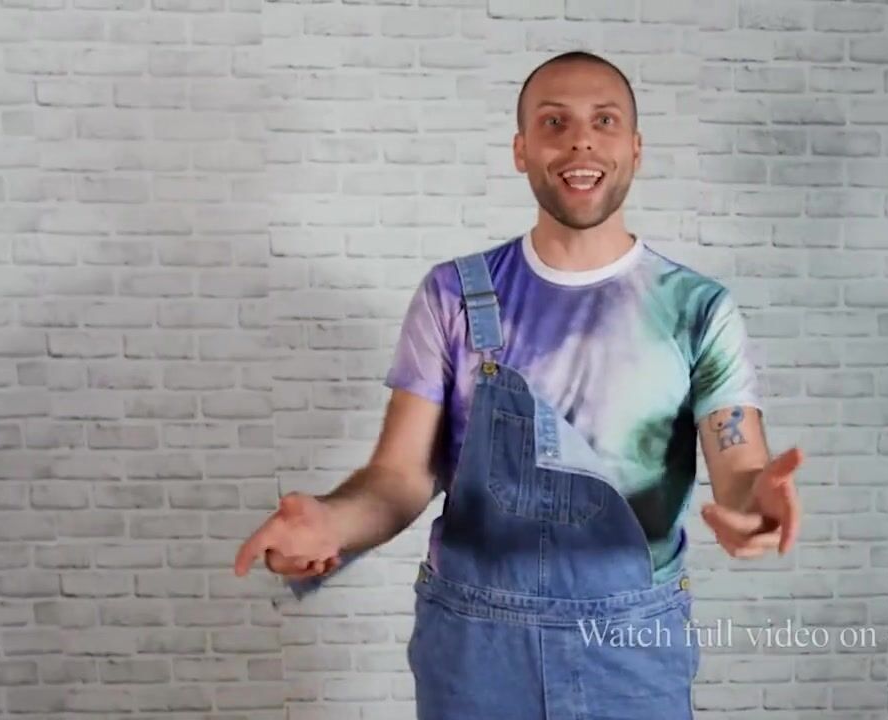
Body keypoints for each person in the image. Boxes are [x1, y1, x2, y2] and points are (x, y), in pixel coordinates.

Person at [234, 50, 804, 720]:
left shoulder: (697, 309)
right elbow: (400, 476)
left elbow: (738, 464)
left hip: (631, 651)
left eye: (604, 120)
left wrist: (757, 503)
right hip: (474, 651)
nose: (580, 140)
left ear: (636, 148)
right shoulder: (453, 295)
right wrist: (333, 522)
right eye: (554, 122)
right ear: (521, 150)